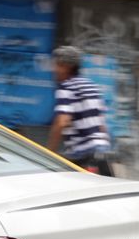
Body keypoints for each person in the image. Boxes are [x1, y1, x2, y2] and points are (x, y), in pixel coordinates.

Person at [47, 45, 113, 176]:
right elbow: (101, 125)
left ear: (67, 67)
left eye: (57, 65)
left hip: (83, 155)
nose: (54, 69)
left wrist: (48, 153)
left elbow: (61, 122)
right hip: (102, 151)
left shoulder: (66, 87)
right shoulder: (92, 86)